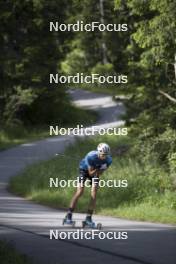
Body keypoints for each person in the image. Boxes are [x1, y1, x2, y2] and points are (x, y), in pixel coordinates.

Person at [65, 142, 112, 225]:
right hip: (84, 170)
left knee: (94, 193)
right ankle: (68, 215)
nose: (104, 156)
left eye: (106, 155)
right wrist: (98, 168)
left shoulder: (109, 160)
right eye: (102, 154)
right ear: (99, 152)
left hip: (95, 171)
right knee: (80, 191)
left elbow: (100, 173)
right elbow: (90, 173)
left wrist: (99, 170)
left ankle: (88, 218)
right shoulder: (90, 156)